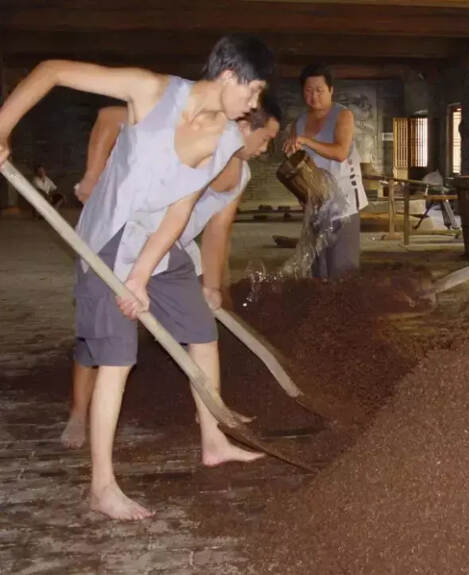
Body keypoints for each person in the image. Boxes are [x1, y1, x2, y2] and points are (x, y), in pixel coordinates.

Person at [0, 34, 275, 520]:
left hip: (160, 245)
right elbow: (51, 70)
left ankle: (213, 440)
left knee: (199, 329)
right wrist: (2, 128)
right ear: (228, 76)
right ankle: (102, 487)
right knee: (117, 356)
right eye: (253, 91)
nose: (254, 104)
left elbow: (180, 211)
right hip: (108, 238)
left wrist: (143, 276)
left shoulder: (228, 139)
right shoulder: (150, 90)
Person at [60, 94, 282, 450]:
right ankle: (78, 412)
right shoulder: (191, 130)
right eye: (266, 138)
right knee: (101, 339)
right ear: (243, 124)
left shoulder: (241, 175)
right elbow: (108, 117)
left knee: (201, 331)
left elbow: (218, 229)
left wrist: (212, 286)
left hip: (170, 247)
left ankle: (210, 416)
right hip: (121, 231)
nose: (266, 148)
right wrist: (91, 177)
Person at [282, 63, 368, 279]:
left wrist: (306, 141)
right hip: (316, 203)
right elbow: (297, 163)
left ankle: (345, 311)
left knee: (342, 269)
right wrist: (301, 192)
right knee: (317, 269)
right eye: (308, 91)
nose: (314, 96)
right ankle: (323, 311)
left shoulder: (343, 115)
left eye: (319, 90)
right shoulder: (299, 123)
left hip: (344, 204)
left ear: (331, 90)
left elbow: (340, 152)